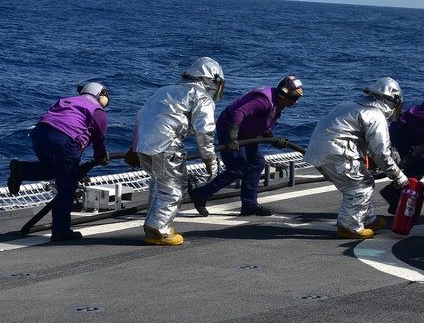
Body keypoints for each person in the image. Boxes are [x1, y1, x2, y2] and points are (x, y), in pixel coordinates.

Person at [129, 57, 224, 246]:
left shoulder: (164, 90)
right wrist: (209, 158)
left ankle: (153, 225)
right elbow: (204, 131)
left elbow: (142, 116)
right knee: (174, 189)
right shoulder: (201, 97)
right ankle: (159, 231)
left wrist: (133, 148)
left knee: (159, 184)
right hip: (167, 145)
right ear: (212, 80)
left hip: (144, 145)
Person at [304, 77, 408, 239]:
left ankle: (367, 219)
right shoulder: (376, 115)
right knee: (360, 186)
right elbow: (381, 151)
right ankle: (349, 226)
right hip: (338, 153)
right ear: (393, 101)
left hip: (319, 150)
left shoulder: (350, 105)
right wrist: (397, 175)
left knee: (362, 181)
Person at [7, 82, 111, 241]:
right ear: (101, 95)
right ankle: (61, 231)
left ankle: (22, 169)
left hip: (39, 135)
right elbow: (99, 141)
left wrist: (75, 168)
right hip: (63, 140)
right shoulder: (98, 111)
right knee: (67, 187)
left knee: (53, 169)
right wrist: (101, 157)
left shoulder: (66, 101)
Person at [188, 75, 303, 217]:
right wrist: (232, 136)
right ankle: (200, 194)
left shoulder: (278, 103)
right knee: (239, 167)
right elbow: (240, 112)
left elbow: (263, 121)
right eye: (293, 98)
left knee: (257, 163)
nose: (296, 101)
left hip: (246, 132)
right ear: (283, 94)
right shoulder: (264, 101)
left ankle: (249, 205)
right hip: (229, 128)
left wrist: (271, 138)